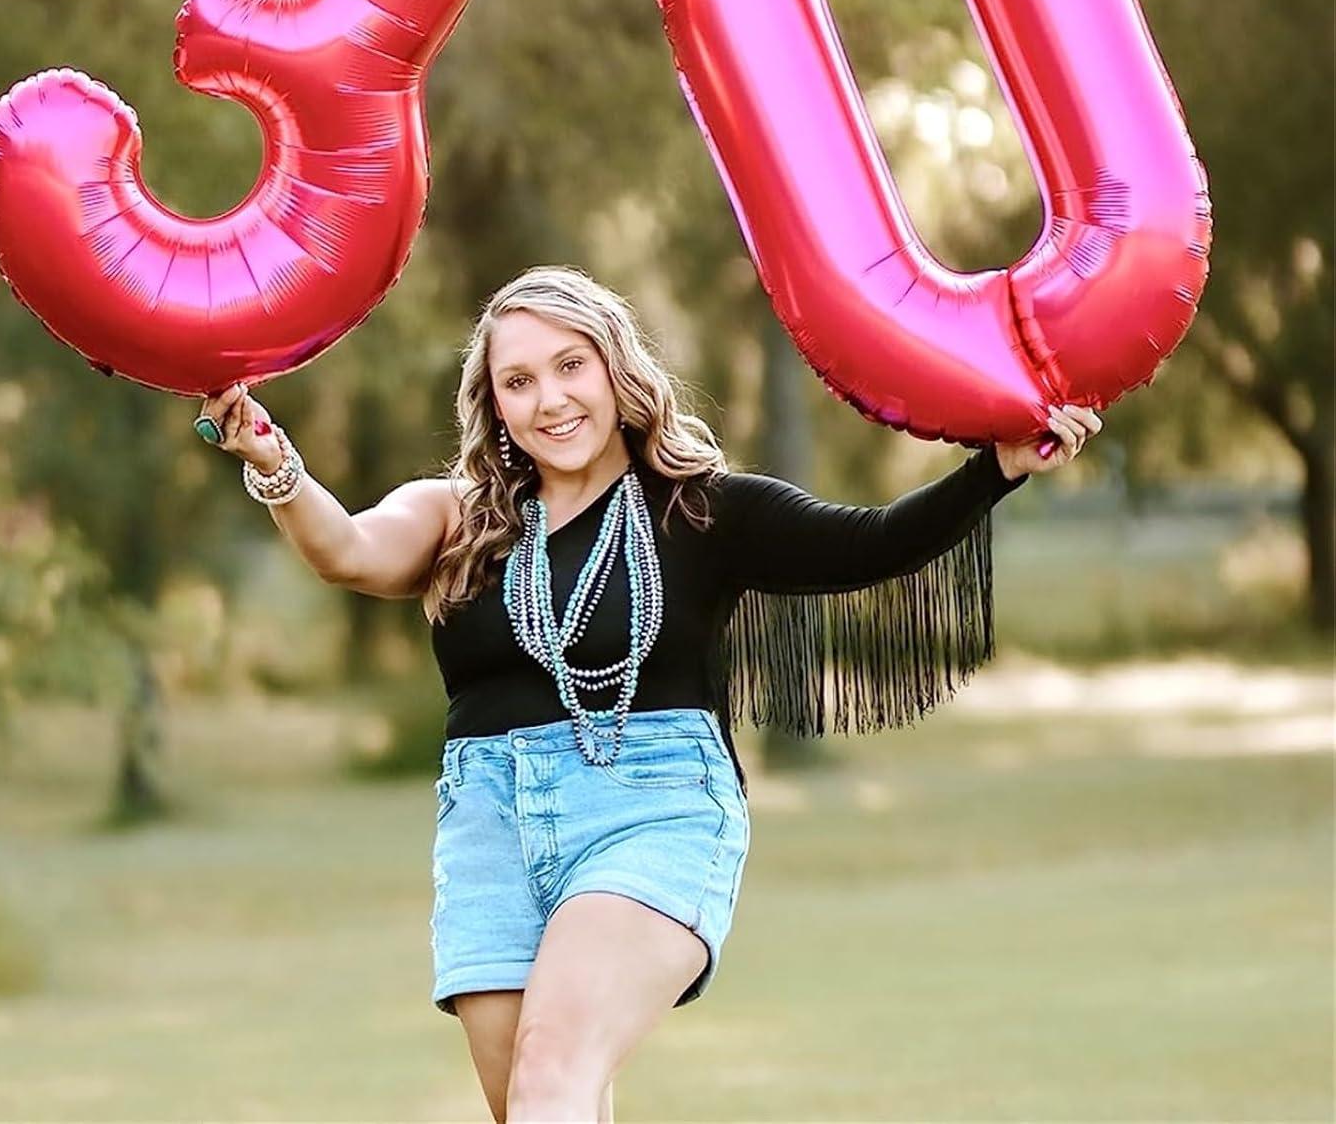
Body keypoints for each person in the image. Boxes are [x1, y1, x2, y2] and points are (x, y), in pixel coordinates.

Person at [194, 264, 1102, 1124]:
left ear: (614, 367)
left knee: (554, 1069)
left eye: (569, 366)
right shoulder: (457, 516)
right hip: (488, 830)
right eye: (518, 382)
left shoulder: (703, 510)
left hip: (652, 807)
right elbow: (346, 550)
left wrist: (998, 468)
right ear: (494, 405)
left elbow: (869, 544)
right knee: (542, 1104)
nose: (550, 400)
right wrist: (272, 459)